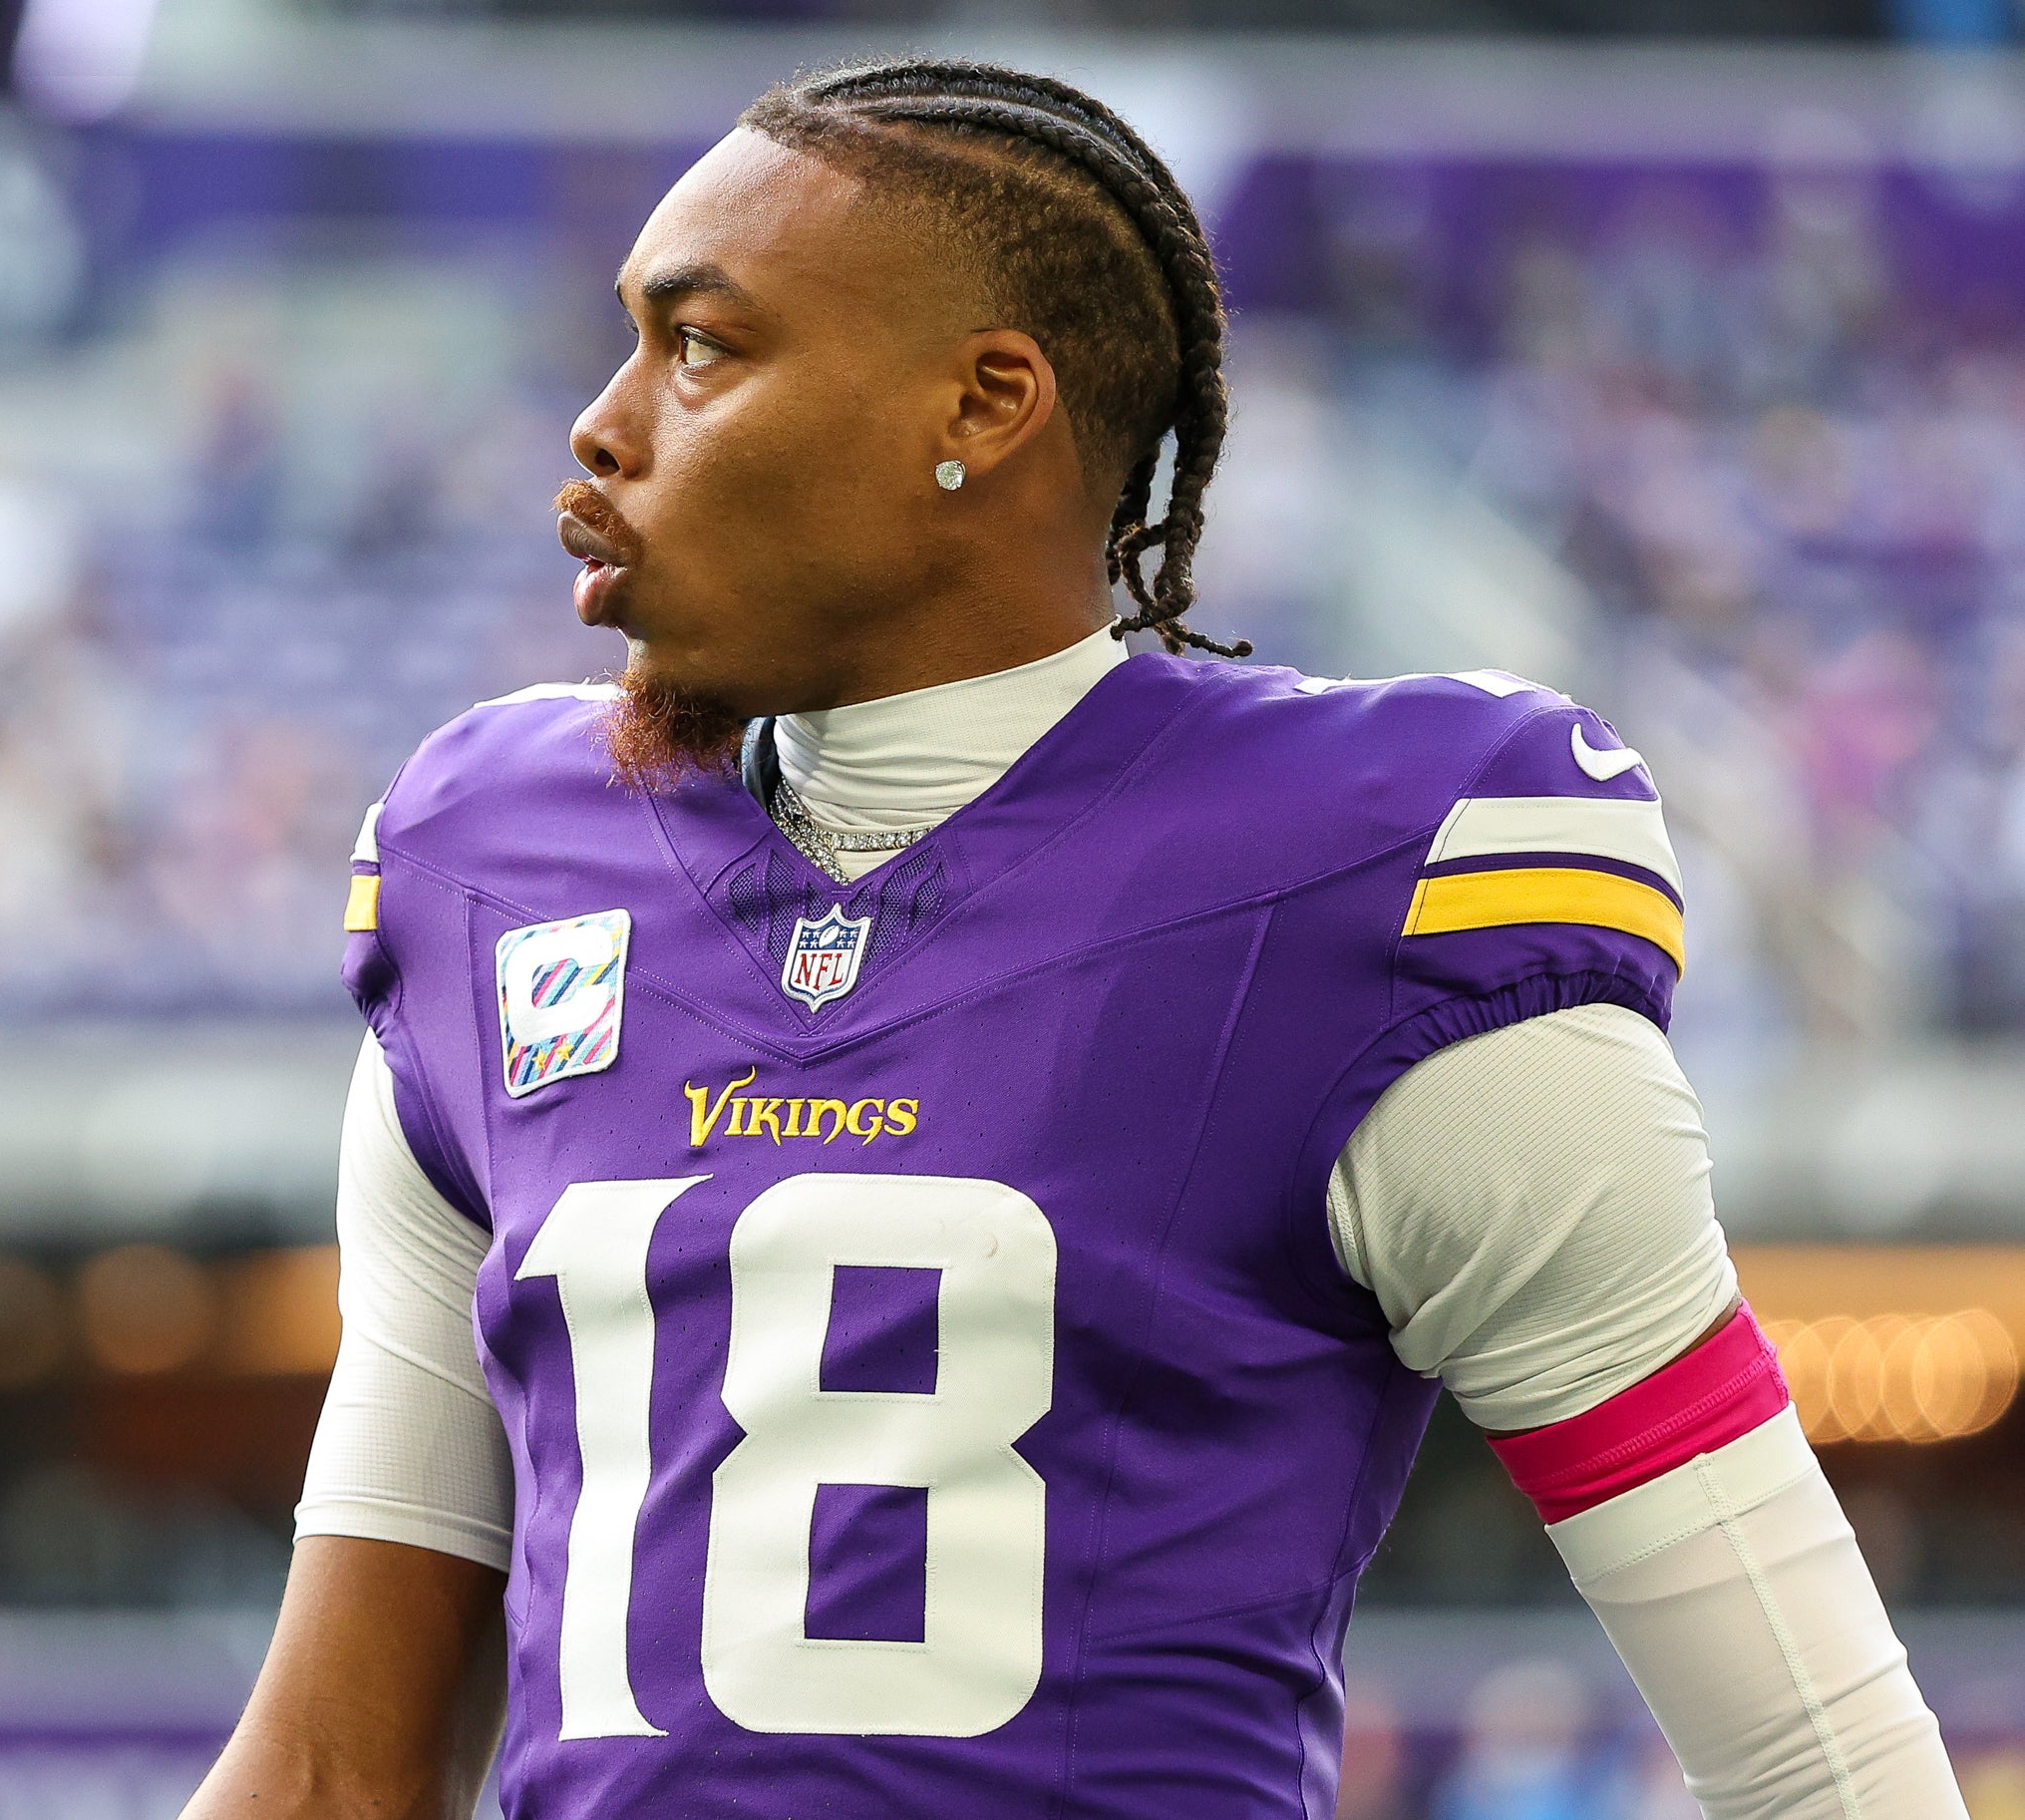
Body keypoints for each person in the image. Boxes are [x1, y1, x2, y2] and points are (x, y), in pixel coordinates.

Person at [184, 59, 1966, 1820]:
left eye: (702, 344)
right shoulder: (496, 874)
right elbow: (336, 1760)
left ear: (983, 404)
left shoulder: (1369, 887)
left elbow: (1818, 1761)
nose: (604, 420)